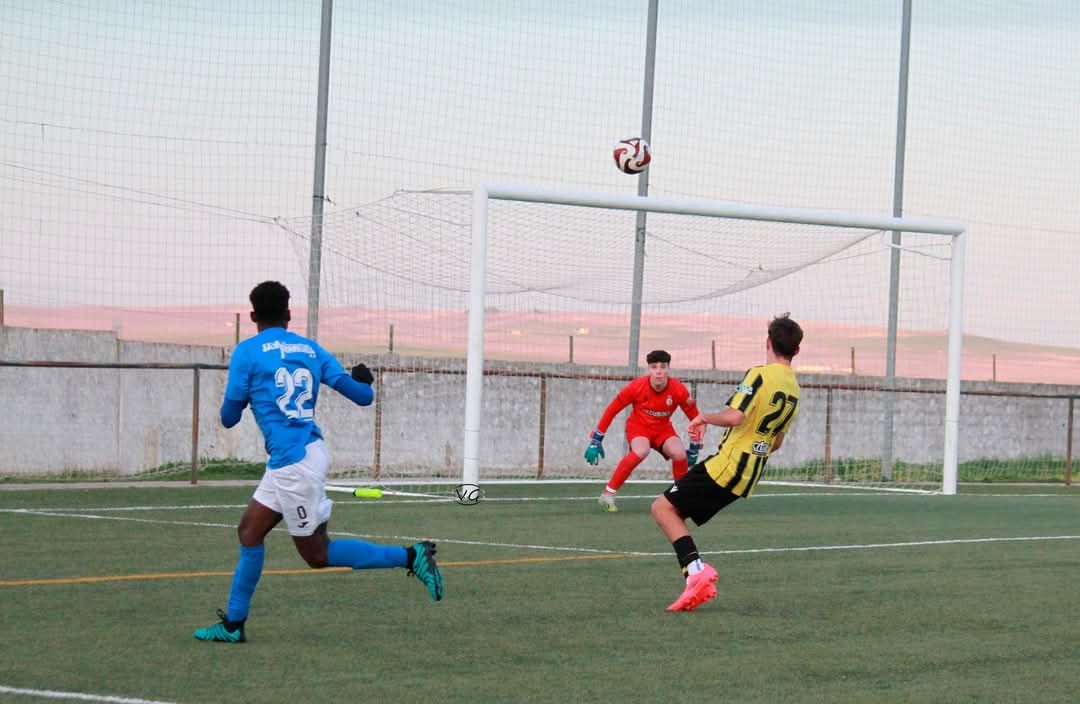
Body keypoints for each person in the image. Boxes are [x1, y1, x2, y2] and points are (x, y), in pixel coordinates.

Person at [194, 281, 443, 643]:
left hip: (293, 464)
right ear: (289, 314)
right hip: (301, 455)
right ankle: (233, 624)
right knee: (249, 532)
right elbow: (362, 397)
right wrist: (364, 379)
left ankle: (411, 556)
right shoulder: (310, 350)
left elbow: (229, 418)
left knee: (317, 554)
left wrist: (241, 397)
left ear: (252, 316)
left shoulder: (246, 353)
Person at [652, 314, 803, 612]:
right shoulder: (794, 389)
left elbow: (736, 416)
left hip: (728, 465)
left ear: (768, 342)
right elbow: (777, 442)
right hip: (750, 474)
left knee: (661, 507)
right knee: (675, 510)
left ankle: (696, 574)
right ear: (796, 351)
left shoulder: (759, 375)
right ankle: (695, 574)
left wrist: (704, 416)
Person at [584, 350, 702, 513]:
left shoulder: (678, 389)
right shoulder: (636, 387)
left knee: (680, 453)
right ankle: (608, 494)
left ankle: (680, 498)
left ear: (669, 368)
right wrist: (597, 439)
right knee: (641, 450)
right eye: (654, 367)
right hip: (638, 427)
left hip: (663, 429)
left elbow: (697, 419)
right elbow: (612, 410)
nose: (659, 371)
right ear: (649, 369)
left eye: (663, 366)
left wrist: (695, 447)